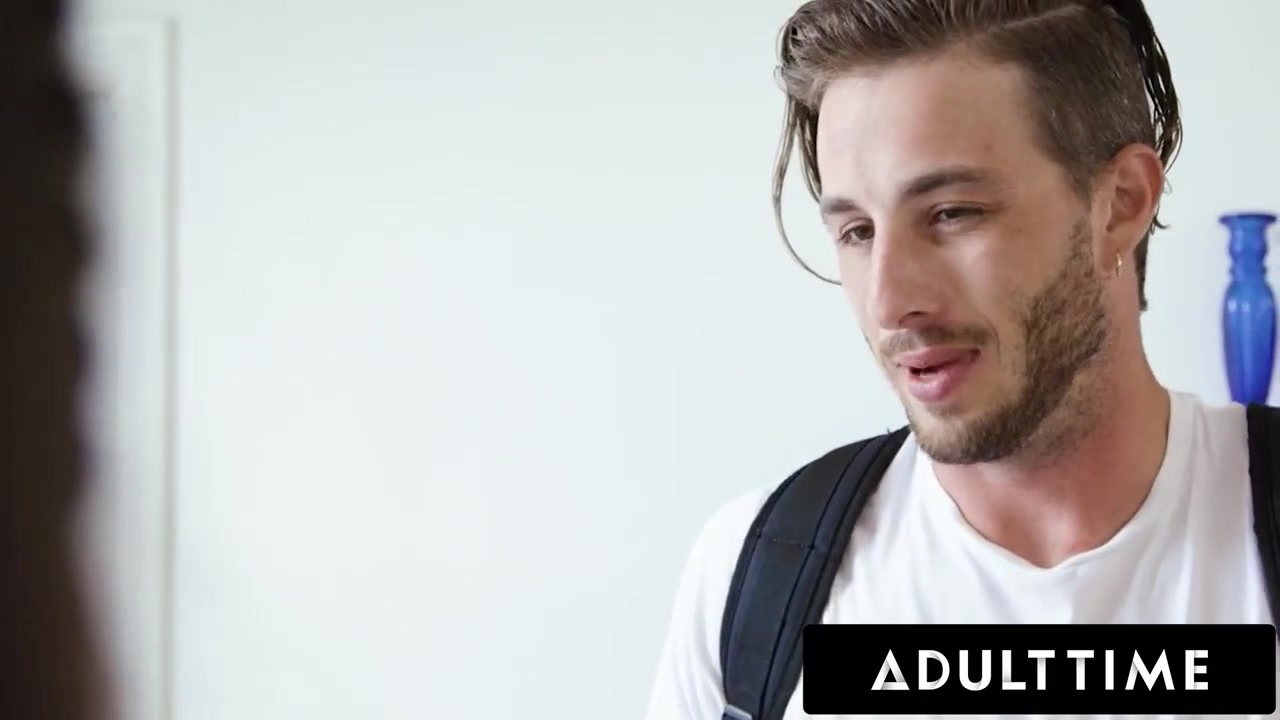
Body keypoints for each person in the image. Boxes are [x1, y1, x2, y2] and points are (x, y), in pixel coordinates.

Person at [644, 1, 1276, 718]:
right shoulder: (751, 576)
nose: (889, 301)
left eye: (952, 213)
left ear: (1121, 205)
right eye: (857, 231)